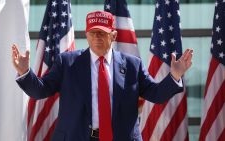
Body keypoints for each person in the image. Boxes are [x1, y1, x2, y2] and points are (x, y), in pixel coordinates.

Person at [12, 10, 193, 141]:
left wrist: (174, 76)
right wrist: (25, 73)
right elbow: (41, 91)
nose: (97, 37)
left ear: (113, 35)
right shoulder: (67, 63)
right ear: (86, 35)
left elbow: (156, 94)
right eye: (93, 33)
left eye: (102, 33)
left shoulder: (132, 65)